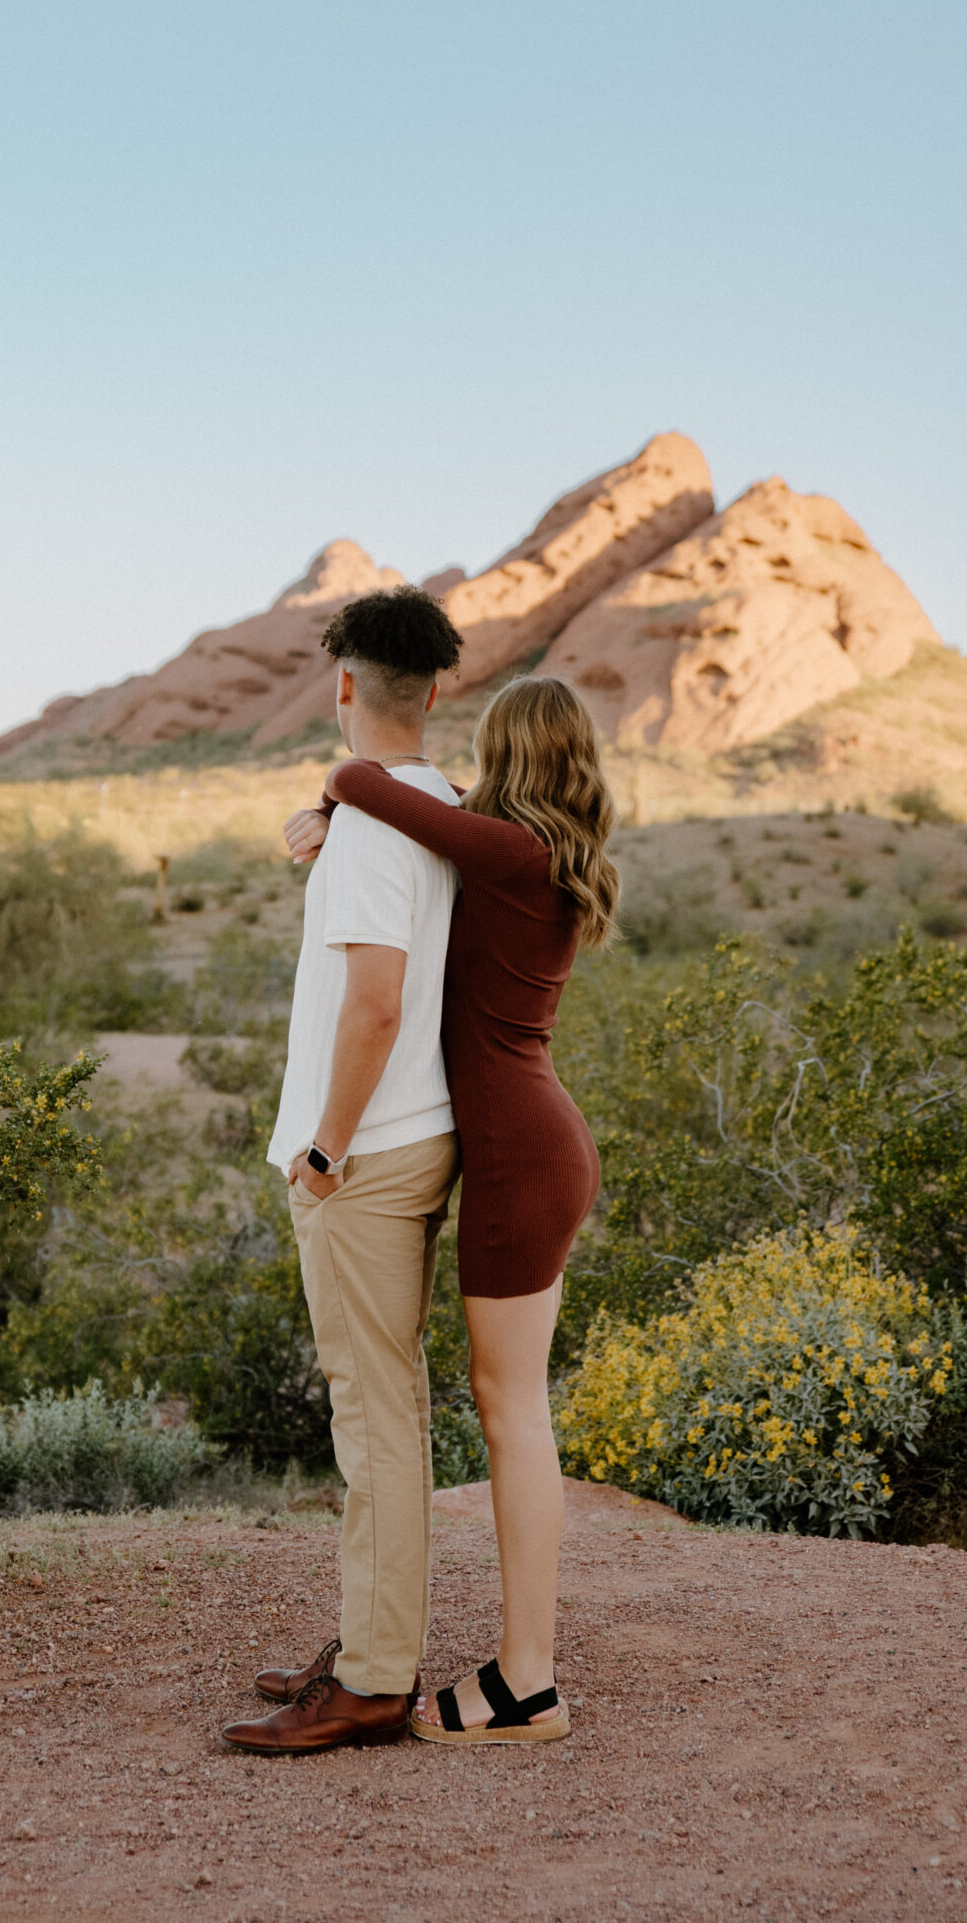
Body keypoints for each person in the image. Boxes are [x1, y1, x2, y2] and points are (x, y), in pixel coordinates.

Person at [282, 674, 617, 1745]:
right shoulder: (535, 853)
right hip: (538, 1146)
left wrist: (336, 795)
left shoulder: (510, 853)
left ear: (511, 754)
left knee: (514, 1412)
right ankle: (524, 1669)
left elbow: (367, 775)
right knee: (510, 1404)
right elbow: (419, 806)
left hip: (521, 1157)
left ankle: (530, 1681)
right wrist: (341, 819)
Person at [220, 585, 467, 1756]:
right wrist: (326, 806)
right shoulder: (441, 806)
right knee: (385, 1410)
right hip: (413, 1137)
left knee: (371, 1418)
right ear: (440, 687)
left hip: (364, 1156)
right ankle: (373, 1640)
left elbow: (373, 1004)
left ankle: (373, 1679)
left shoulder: (375, 827)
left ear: (343, 688)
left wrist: (323, 1150)